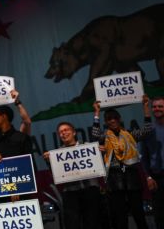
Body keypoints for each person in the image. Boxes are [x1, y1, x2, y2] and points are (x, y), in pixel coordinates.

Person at [92, 96, 152, 229]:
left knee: (139, 215)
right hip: (114, 179)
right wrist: (97, 113)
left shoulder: (130, 134)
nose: (112, 120)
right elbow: (95, 135)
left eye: (115, 117)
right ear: (106, 122)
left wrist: (146, 107)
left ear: (119, 119)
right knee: (120, 217)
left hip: (132, 177)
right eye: (109, 119)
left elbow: (147, 130)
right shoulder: (104, 136)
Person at [43, 122, 102, 229]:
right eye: (61, 132)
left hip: (90, 190)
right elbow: (57, 175)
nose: (63, 133)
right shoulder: (57, 154)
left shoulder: (87, 147)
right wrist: (49, 162)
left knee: (93, 223)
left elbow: (98, 164)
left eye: (66, 130)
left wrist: (101, 152)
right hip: (70, 194)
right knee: (73, 224)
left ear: (74, 132)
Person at [0, 104, 33, 203]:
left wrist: (17, 188)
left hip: (21, 194)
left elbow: (29, 167)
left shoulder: (22, 138)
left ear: (4, 117)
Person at [140, 96, 164, 229]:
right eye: (154, 106)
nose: (157, 109)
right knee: (160, 214)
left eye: (160, 106)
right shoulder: (148, 130)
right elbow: (143, 158)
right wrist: (148, 177)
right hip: (157, 177)